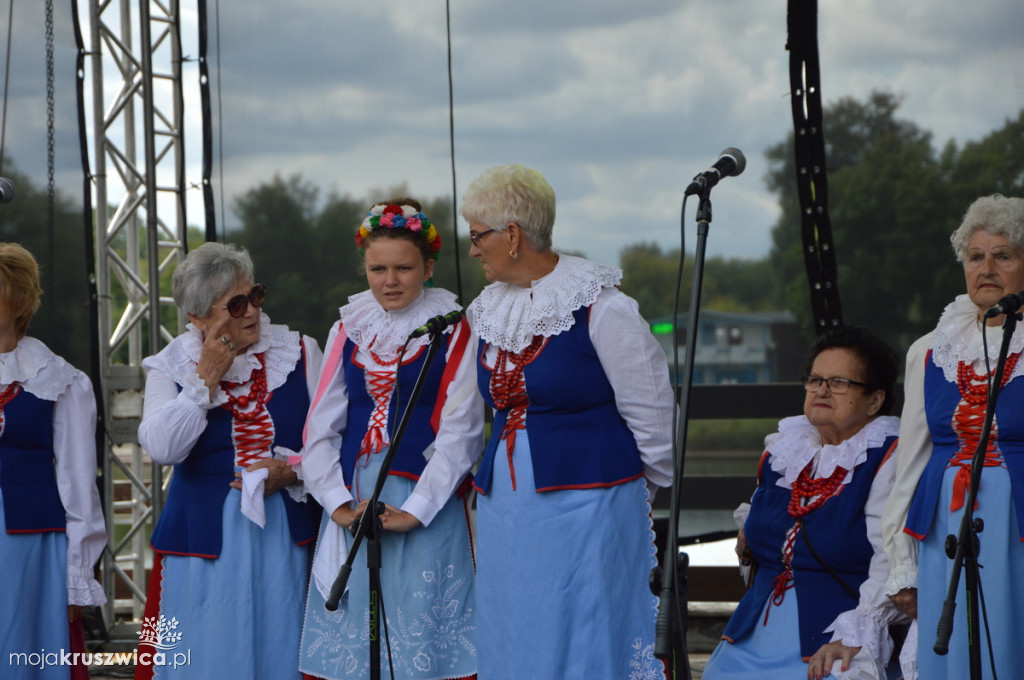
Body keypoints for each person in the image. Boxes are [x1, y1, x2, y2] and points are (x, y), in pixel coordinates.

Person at [459, 164, 674, 679]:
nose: (471, 250)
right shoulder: (484, 312)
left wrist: (627, 502)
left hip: (590, 501)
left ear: (511, 236)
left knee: (586, 625)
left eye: (476, 236)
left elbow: (653, 416)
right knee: (515, 620)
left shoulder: (602, 306)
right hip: (508, 506)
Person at [299, 199, 481, 680]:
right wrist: (337, 504)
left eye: (404, 267)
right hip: (358, 496)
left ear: (429, 267)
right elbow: (320, 429)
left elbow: (461, 433)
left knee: (421, 629)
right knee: (359, 631)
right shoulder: (348, 329)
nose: (390, 280)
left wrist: (417, 509)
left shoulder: (455, 330)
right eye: (378, 268)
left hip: (426, 496)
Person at [136, 242, 322, 679]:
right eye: (235, 304)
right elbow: (163, 448)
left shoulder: (300, 351)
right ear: (198, 318)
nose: (251, 311)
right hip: (201, 538)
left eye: (255, 295)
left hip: (282, 532)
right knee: (207, 652)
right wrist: (205, 379)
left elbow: (332, 440)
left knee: (282, 645)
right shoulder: (171, 366)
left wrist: (293, 470)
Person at [702, 326, 905, 680]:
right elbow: (758, 537)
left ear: (874, 401)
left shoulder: (887, 457)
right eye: (815, 380)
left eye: (840, 382)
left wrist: (856, 633)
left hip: (835, 636)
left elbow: (892, 561)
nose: (823, 390)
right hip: (753, 635)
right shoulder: (784, 452)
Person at [882, 194, 1024, 679]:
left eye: (1003, 255)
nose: (987, 268)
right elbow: (910, 465)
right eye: (975, 256)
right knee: (956, 653)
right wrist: (901, 562)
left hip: (1017, 525)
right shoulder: (931, 350)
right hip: (946, 524)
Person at [0, 243, 106, 680]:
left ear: (20, 301)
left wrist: (78, 570)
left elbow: (79, 482)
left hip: (27, 543)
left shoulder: (59, 379)